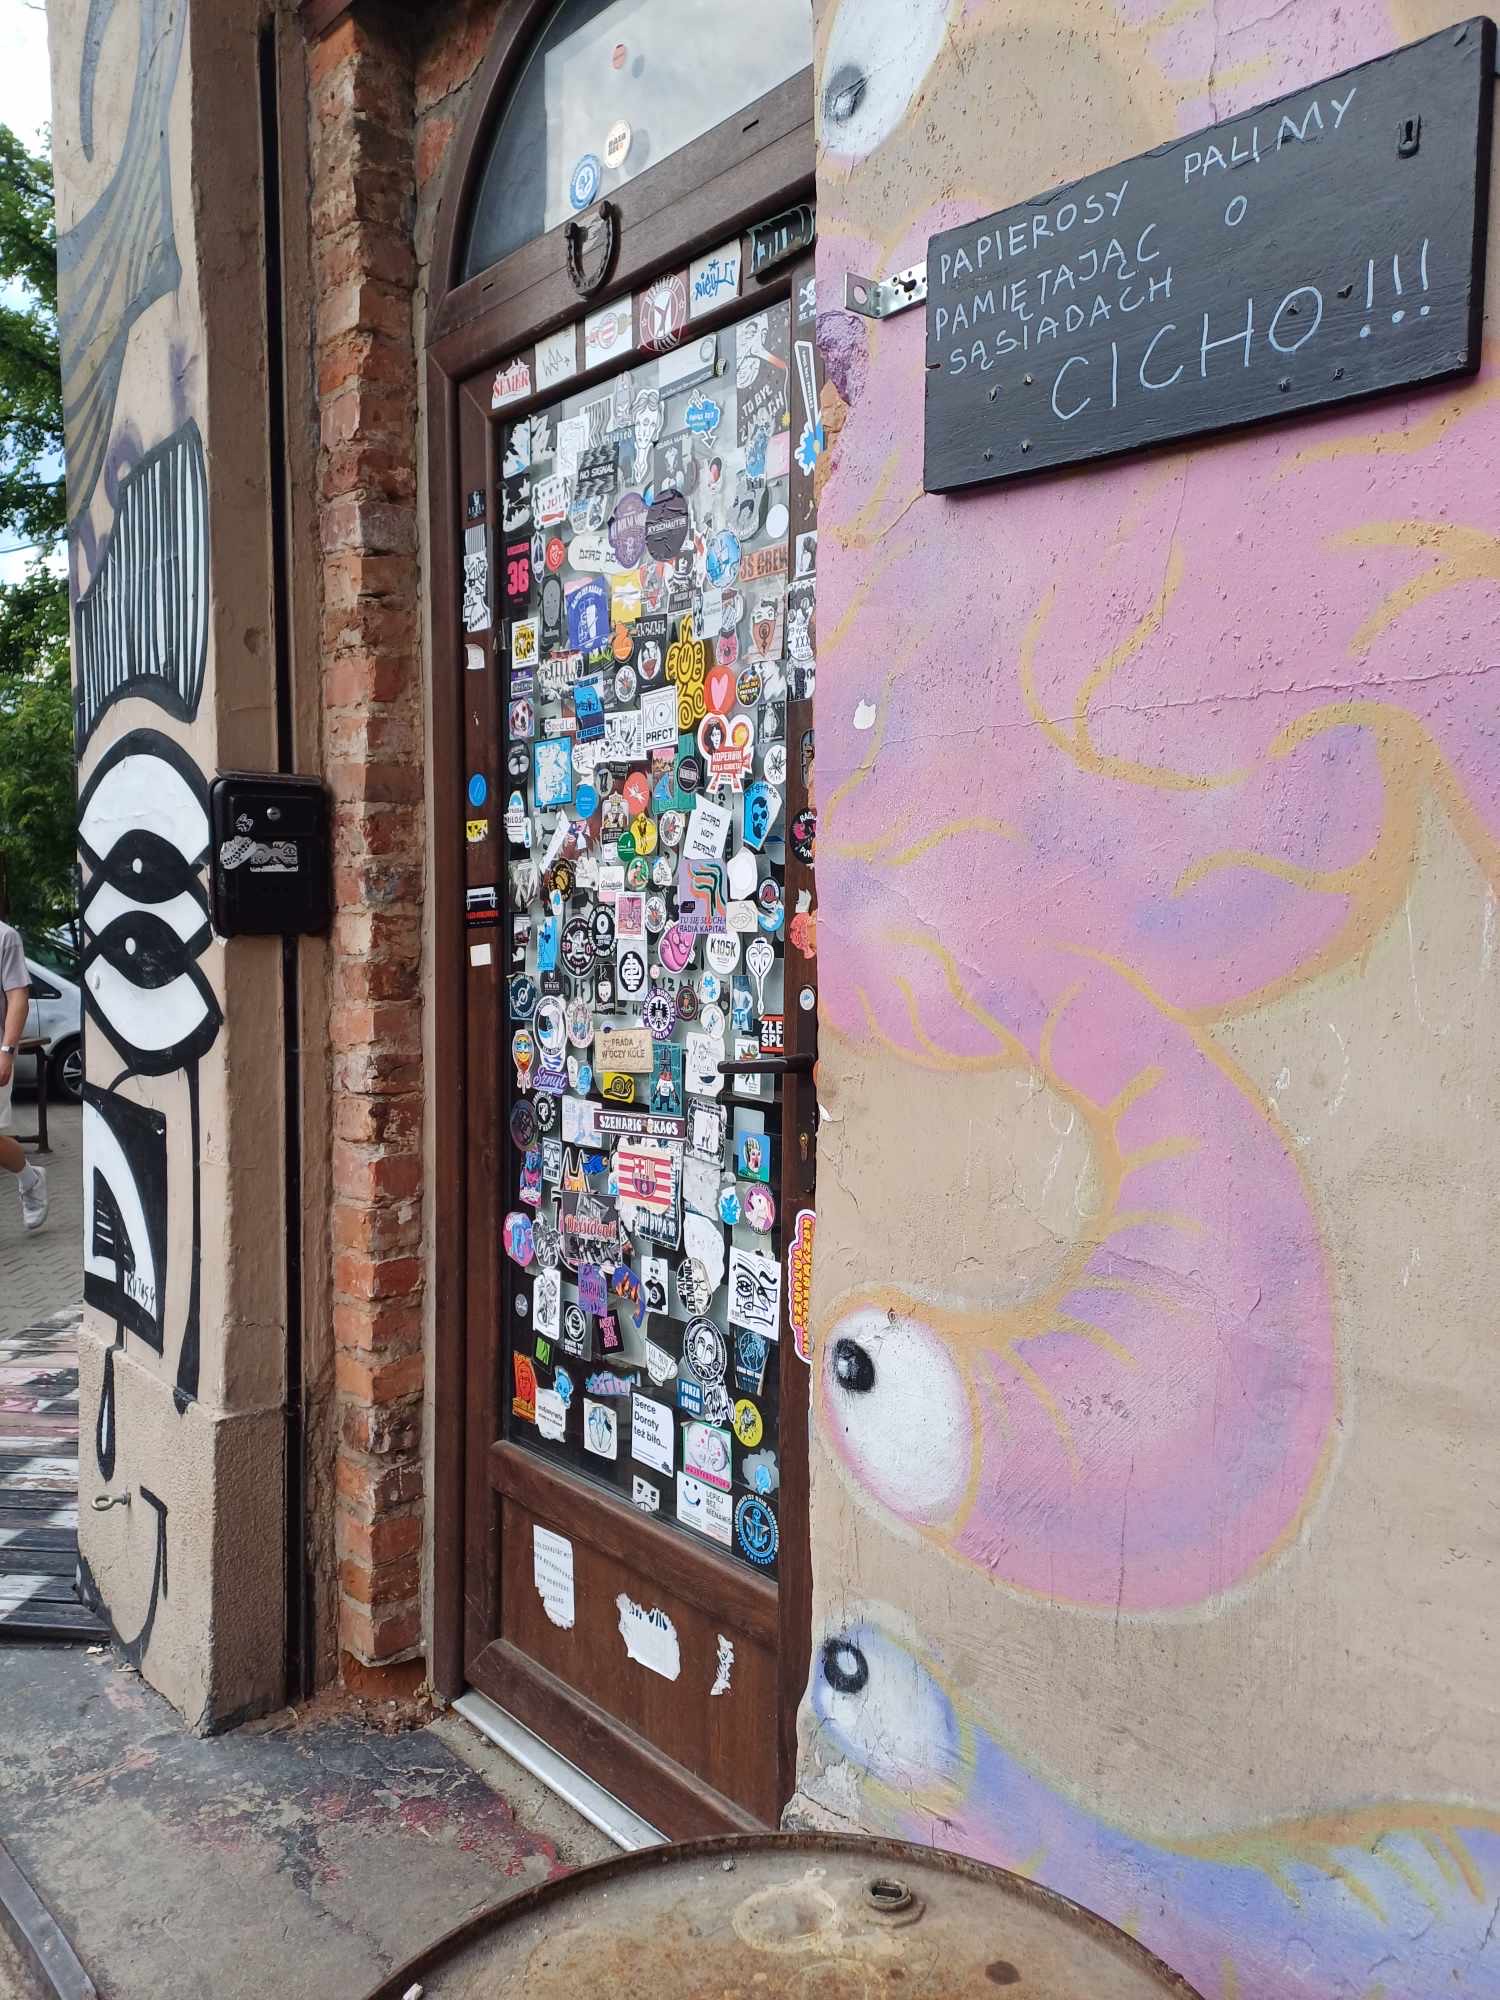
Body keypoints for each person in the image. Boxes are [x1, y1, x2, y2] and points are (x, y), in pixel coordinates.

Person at [0, 915, 48, 1232]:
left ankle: (31, 1179)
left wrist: (7, 1051)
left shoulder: (5, 937)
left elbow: (18, 997)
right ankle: (30, 1178)